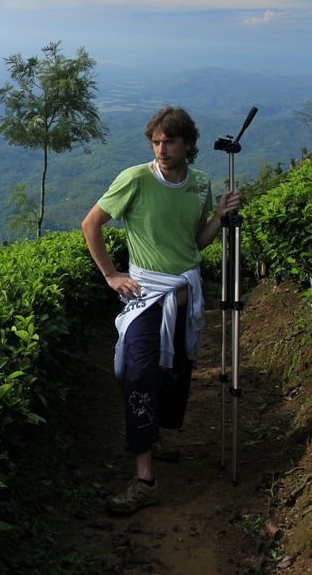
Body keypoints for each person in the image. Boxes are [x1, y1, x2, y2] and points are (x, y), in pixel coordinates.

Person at [81, 105, 241, 516]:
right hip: (146, 295)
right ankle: (145, 480)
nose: (161, 148)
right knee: (136, 374)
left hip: (185, 295)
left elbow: (195, 240)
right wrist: (112, 275)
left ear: (188, 144)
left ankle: (154, 438)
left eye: (169, 141)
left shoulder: (201, 184)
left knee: (173, 374)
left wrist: (220, 217)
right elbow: (91, 225)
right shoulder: (135, 179)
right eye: (156, 141)